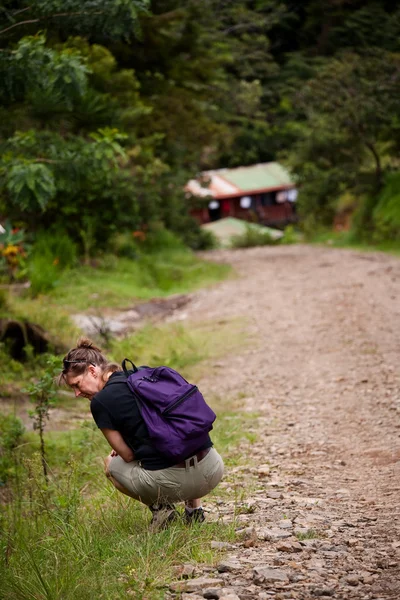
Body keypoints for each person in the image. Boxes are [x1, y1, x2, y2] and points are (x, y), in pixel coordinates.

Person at [58, 338, 224, 531]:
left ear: (93, 370)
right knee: (181, 438)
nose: (77, 393)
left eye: (77, 385)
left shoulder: (100, 402)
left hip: (177, 483)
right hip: (213, 469)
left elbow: (128, 456)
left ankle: (163, 512)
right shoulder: (142, 374)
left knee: (111, 464)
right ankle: (194, 511)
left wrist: (125, 447)